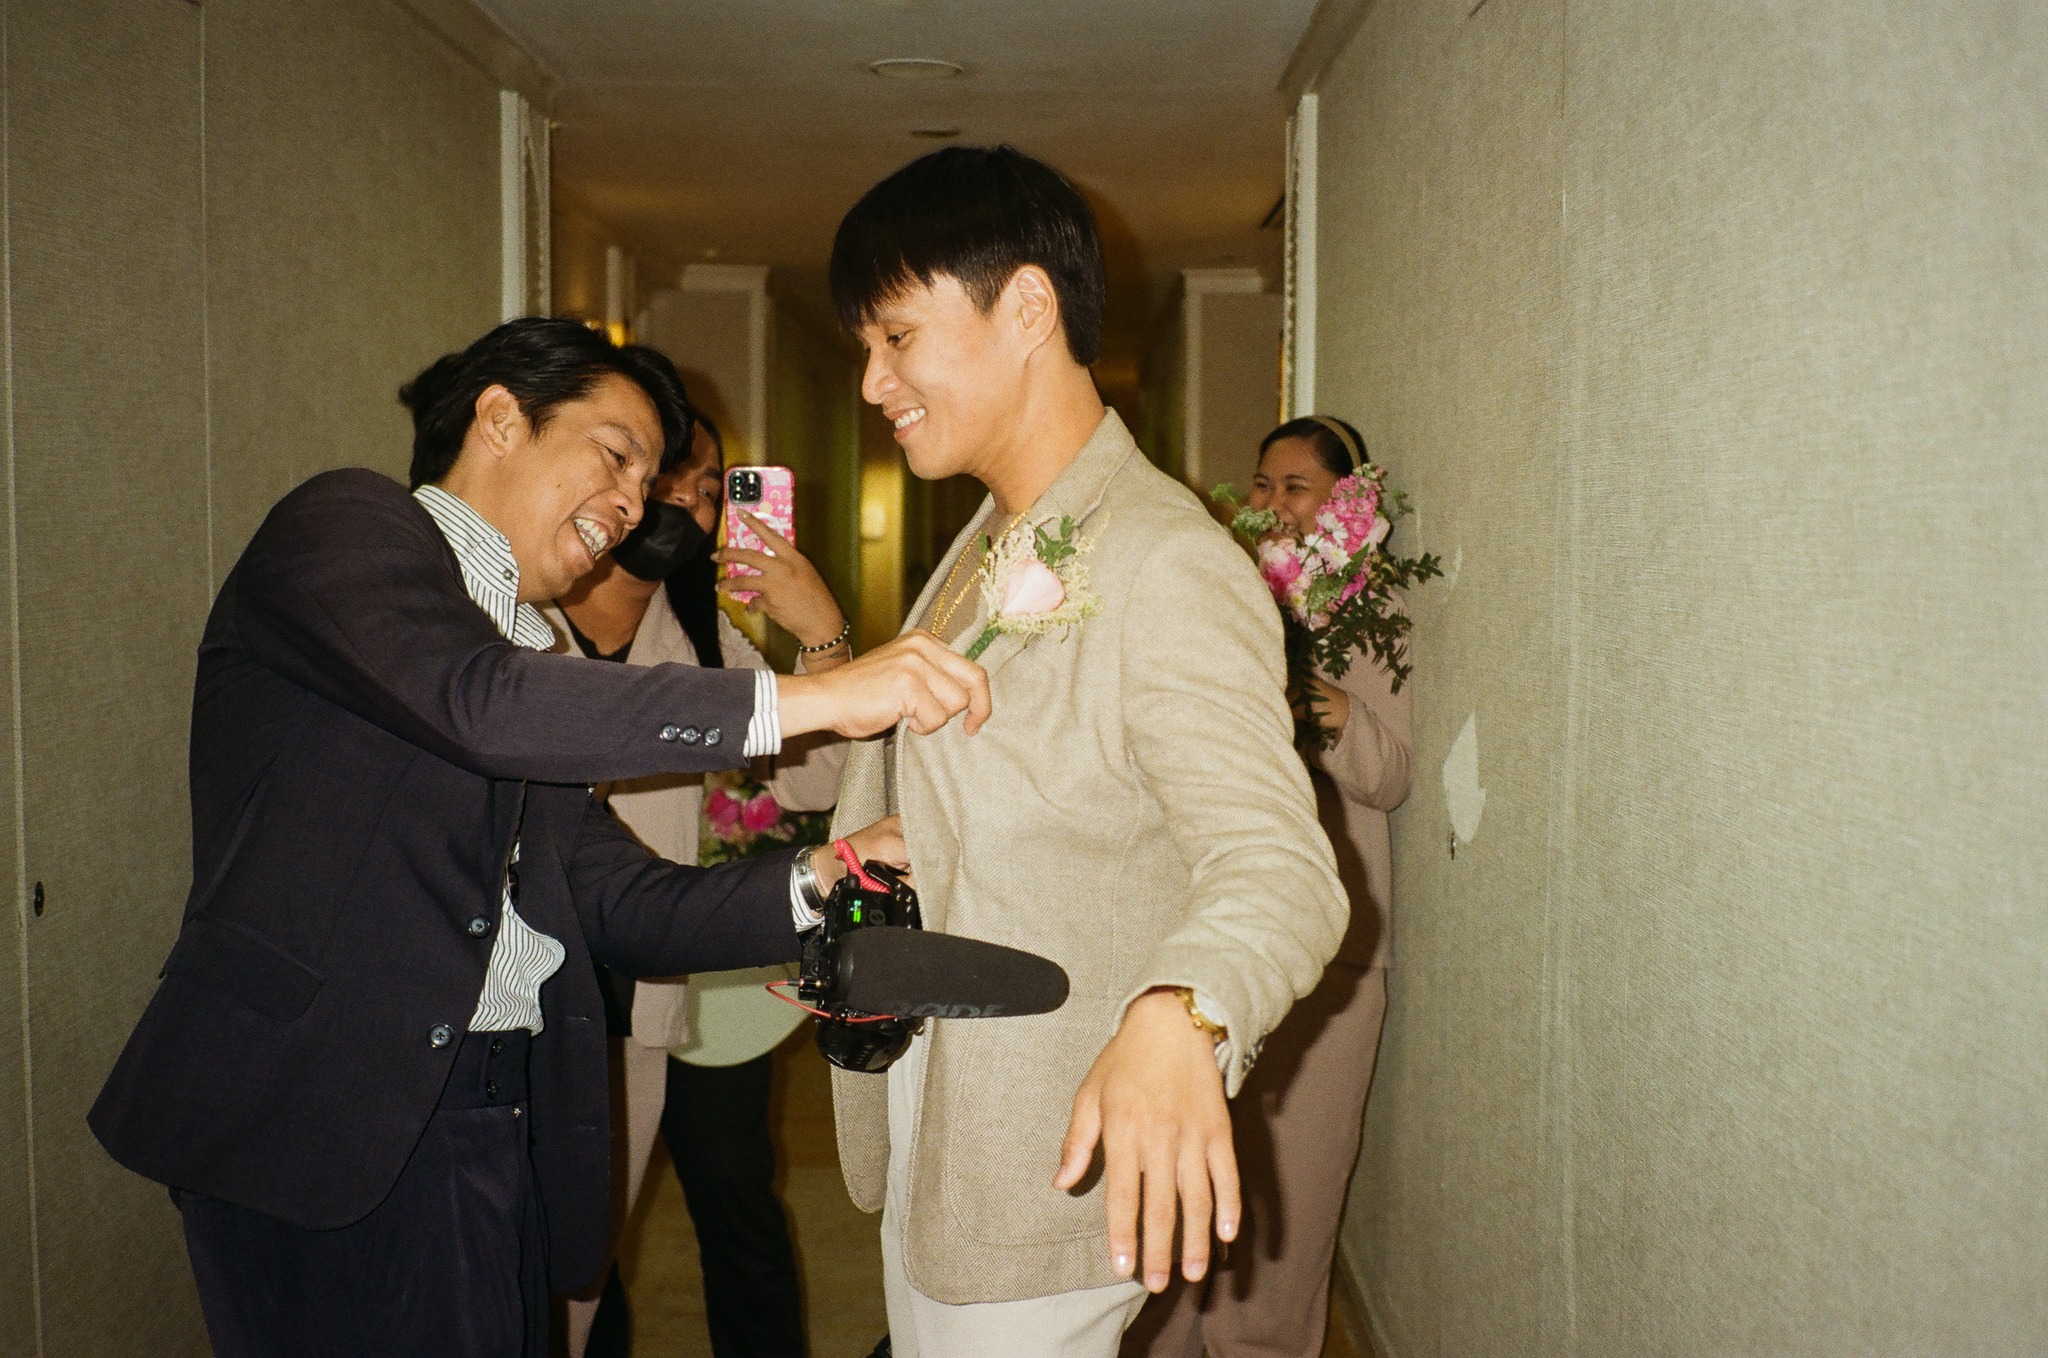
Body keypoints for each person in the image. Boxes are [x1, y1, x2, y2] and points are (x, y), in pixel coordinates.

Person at [86, 317, 989, 1358]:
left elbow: (620, 900)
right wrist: (823, 693)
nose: (633, 504)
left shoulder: (524, 659)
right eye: (616, 456)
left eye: (647, 482)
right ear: (501, 419)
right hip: (328, 1108)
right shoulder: (349, 529)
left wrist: (832, 869)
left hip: (489, 1110)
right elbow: (478, 704)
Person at [823, 146, 1348, 1358]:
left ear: (1025, 308)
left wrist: (1182, 1009)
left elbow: (1278, 863)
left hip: (1041, 1140)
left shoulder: (1163, 559)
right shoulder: (987, 537)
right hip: (944, 1113)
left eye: (895, 336)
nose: (872, 380)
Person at [552, 408, 846, 1358]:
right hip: (531, 979)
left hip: (654, 971)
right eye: (664, 475)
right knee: (559, 1253)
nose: (685, 502)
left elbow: (816, 781)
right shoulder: (523, 616)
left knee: (717, 1202)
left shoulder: (702, 632)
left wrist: (822, 633)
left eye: (709, 488)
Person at [1122, 415, 1414, 1358]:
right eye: (1262, 484)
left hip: (1333, 965)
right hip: (1216, 945)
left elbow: (1391, 777)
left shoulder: (1374, 619)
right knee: (1188, 1186)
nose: (1273, 505)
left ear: (1346, 504)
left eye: (1297, 487)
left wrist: (1326, 706)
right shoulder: (1229, 596)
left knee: (1290, 1204)